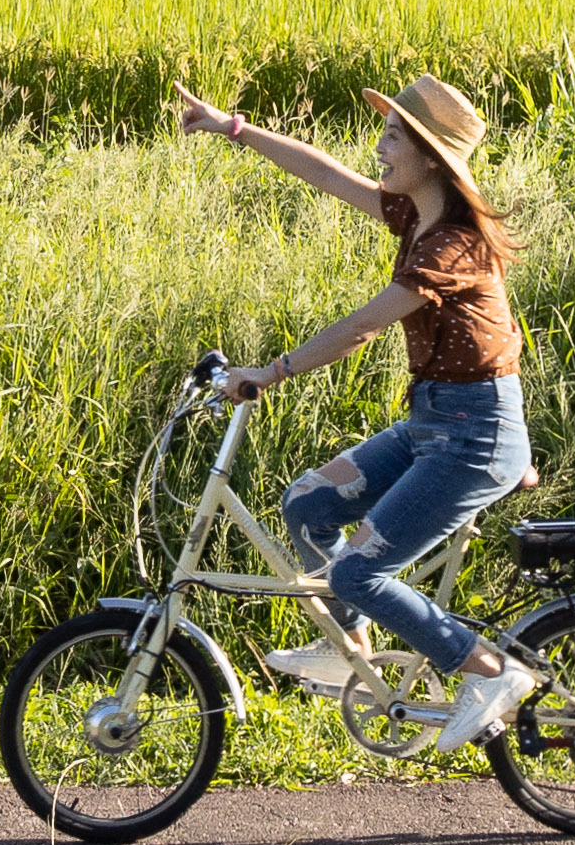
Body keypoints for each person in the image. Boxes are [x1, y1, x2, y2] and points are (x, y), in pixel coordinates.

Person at [171, 75, 541, 749]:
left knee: (356, 572)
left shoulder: (451, 244)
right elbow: (327, 174)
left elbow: (363, 326)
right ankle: (354, 651)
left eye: (394, 136)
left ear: (430, 157)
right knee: (308, 504)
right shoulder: (414, 213)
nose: (379, 147)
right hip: (433, 422)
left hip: (474, 435)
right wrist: (234, 128)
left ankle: (489, 670)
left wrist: (271, 371)